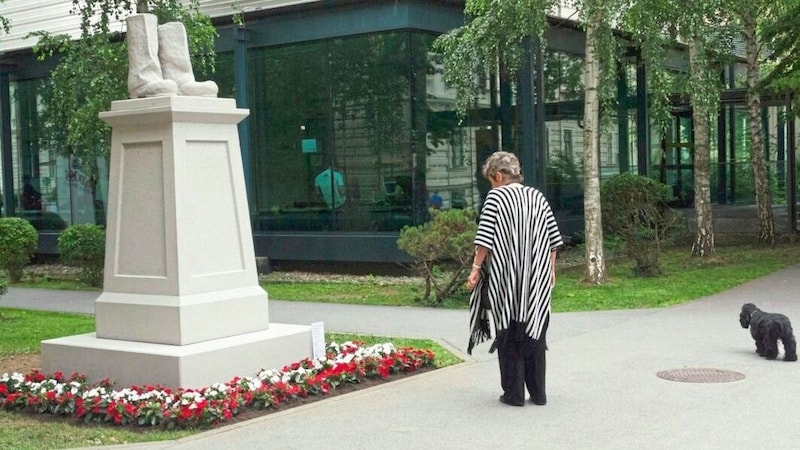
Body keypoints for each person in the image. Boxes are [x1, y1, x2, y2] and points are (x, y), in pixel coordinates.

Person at [466, 151, 563, 407]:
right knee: (535, 332)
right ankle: (539, 393)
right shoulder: (537, 196)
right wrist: (550, 270)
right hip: (537, 277)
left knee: (509, 332)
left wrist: (475, 268)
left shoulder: (496, 197)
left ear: (498, 175)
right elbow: (554, 240)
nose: (492, 184)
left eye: (491, 179)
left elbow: (484, 239)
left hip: (507, 278)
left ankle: (514, 394)